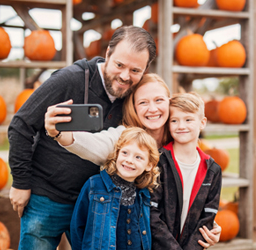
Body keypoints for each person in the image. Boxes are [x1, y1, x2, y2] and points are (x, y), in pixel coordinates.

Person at [8, 25, 156, 249]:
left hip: (95, 200)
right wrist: (20, 182)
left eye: (135, 70)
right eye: (119, 65)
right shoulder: (71, 80)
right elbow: (21, 125)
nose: (125, 76)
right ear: (107, 54)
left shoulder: (134, 94)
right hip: (47, 196)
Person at [45, 73, 221, 248]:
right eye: (143, 102)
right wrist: (60, 133)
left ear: (169, 103)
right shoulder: (126, 137)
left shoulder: (179, 138)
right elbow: (95, 144)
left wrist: (209, 225)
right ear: (134, 107)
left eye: (159, 100)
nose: (152, 109)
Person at [150, 92, 222, 249]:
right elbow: (152, 214)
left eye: (188, 120)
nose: (181, 126)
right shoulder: (159, 162)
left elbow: (207, 217)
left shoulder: (212, 170)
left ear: (202, 123)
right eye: (174, 120)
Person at [70, 127, 160, 250]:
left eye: (138, 157)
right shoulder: (94, 185)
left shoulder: (144, 194)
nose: (129, 160)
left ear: (149, 165)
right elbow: (77, 227)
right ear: (117, 153)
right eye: (125, 153)